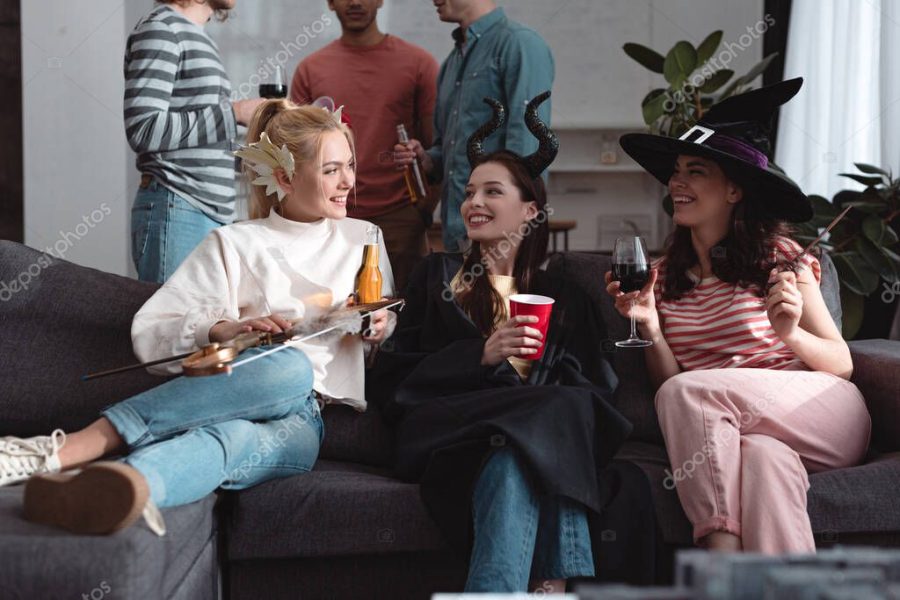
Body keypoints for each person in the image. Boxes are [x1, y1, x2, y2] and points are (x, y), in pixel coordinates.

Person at [0, 99, 395, 536]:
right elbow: (155, 326)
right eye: (331, 170)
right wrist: (224, 327)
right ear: (284, 176)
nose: (349, 182)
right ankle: (86, 452)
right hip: (247, 385)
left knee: (236, 441)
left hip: (306, 421)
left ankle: (123, 483)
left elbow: (379, 329)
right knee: (289, 368)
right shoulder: (236, 242)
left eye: (350, 165)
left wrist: (378, 328)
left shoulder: (365, 239)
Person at [371, 93, 651, 593]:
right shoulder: (436, 278)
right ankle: (556, 582)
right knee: (553, 415)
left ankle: (542, 591)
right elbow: (391, 379)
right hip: (450, 434)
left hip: (519, 445)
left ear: (529, 213)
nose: (474, 203)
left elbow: (596, 392)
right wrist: (479, 354)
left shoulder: (564, 293)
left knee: (516, 455)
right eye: (470, 192)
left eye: (492, 192)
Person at [613, 78, 871, 554]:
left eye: (695, 171)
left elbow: (842, 364)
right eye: (675, 171)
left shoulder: (781, 257)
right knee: (766, 464)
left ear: (734, 190)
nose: (677, 183)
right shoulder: (665, 276)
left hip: (821, 413)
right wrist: (649, 324)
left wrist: (790, 333)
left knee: (689, 391)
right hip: (746, 433)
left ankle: (720, 555)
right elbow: (673, 388)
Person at [291, 0, 439, 291]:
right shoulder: (311, 69)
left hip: (400, 218)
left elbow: (436, 148)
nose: (356, 2)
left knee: (405, 319)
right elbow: (297, 151)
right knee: (333, 316)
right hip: (331, 217)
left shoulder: (418, 63)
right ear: (331, 3)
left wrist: (422, 211)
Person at [393, 0, 554, 253]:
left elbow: (526, 150)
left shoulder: (520, 44)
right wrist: (426, 159)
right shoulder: (451, 63)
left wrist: (512, 243)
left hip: (502, 239)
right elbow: (445, 150)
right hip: (458, 233)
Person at [125, 0, 266, 283]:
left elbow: (199, 141)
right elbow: (143, 128)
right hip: (178, 207)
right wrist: (235, 112)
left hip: (201, 212)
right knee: (170, 325)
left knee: (199, 325)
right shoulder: (162, 28)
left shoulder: (197, 35)